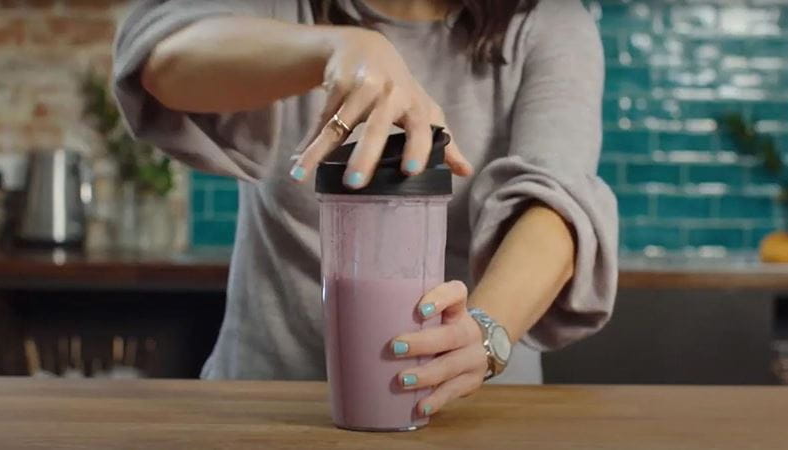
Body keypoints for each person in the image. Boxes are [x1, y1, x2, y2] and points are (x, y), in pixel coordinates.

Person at [113, 0, 618, 416]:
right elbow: (162, 58)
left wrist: (484, 331)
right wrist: (337, 48)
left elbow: (554, 205)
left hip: (472, 412)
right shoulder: (284, 8)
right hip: (268, 407)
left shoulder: (548, 22)